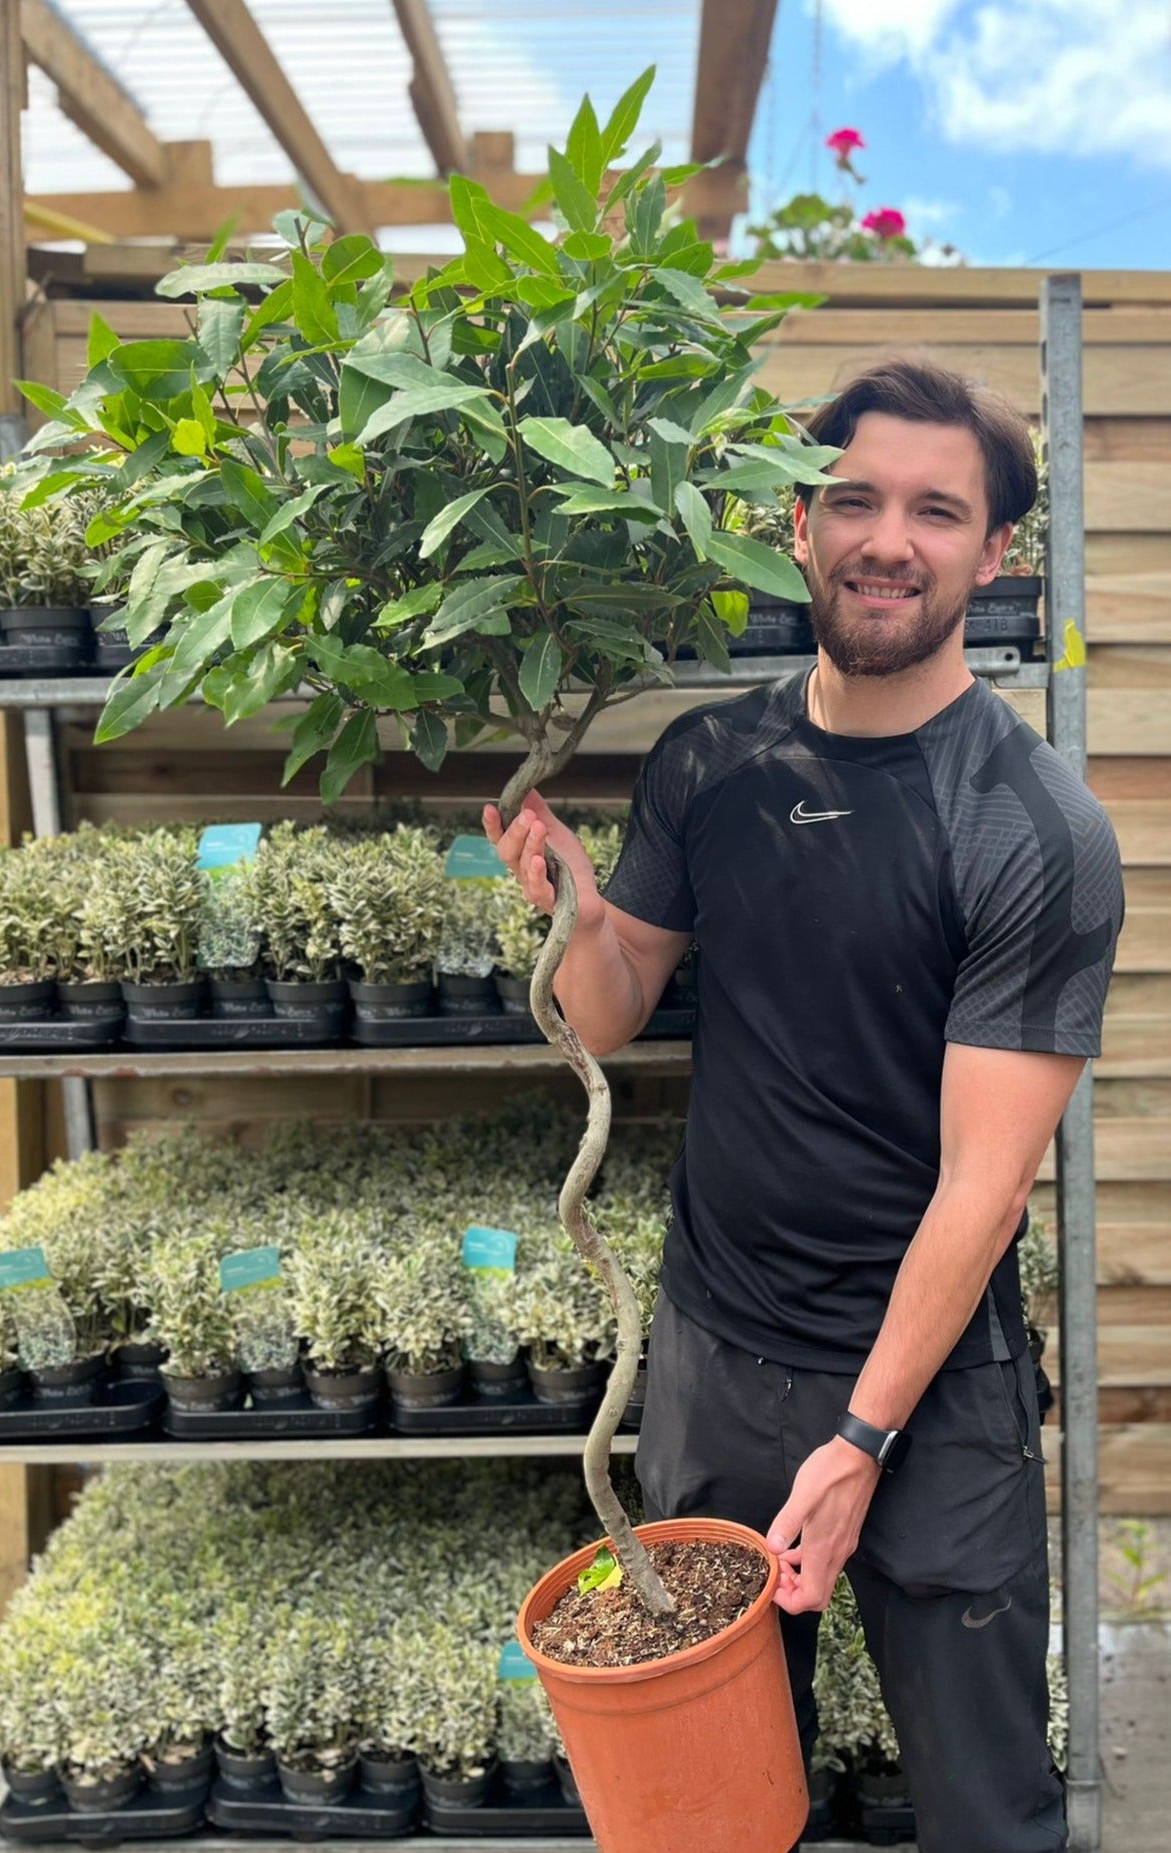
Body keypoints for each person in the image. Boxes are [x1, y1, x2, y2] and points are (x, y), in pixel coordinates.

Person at [482, 356, 1123, 1853]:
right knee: (704, 1793)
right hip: (713, 1354)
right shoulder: (711, 759)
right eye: (852, 498)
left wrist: (861, 1438)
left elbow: (982, 1182)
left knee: (982, 1807)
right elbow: (615, 1006)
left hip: (928, 1391)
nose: (884, 537)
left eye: (932, 510)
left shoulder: (1032, 826)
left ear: (992, 551)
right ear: (795, 520)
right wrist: (575, 915)